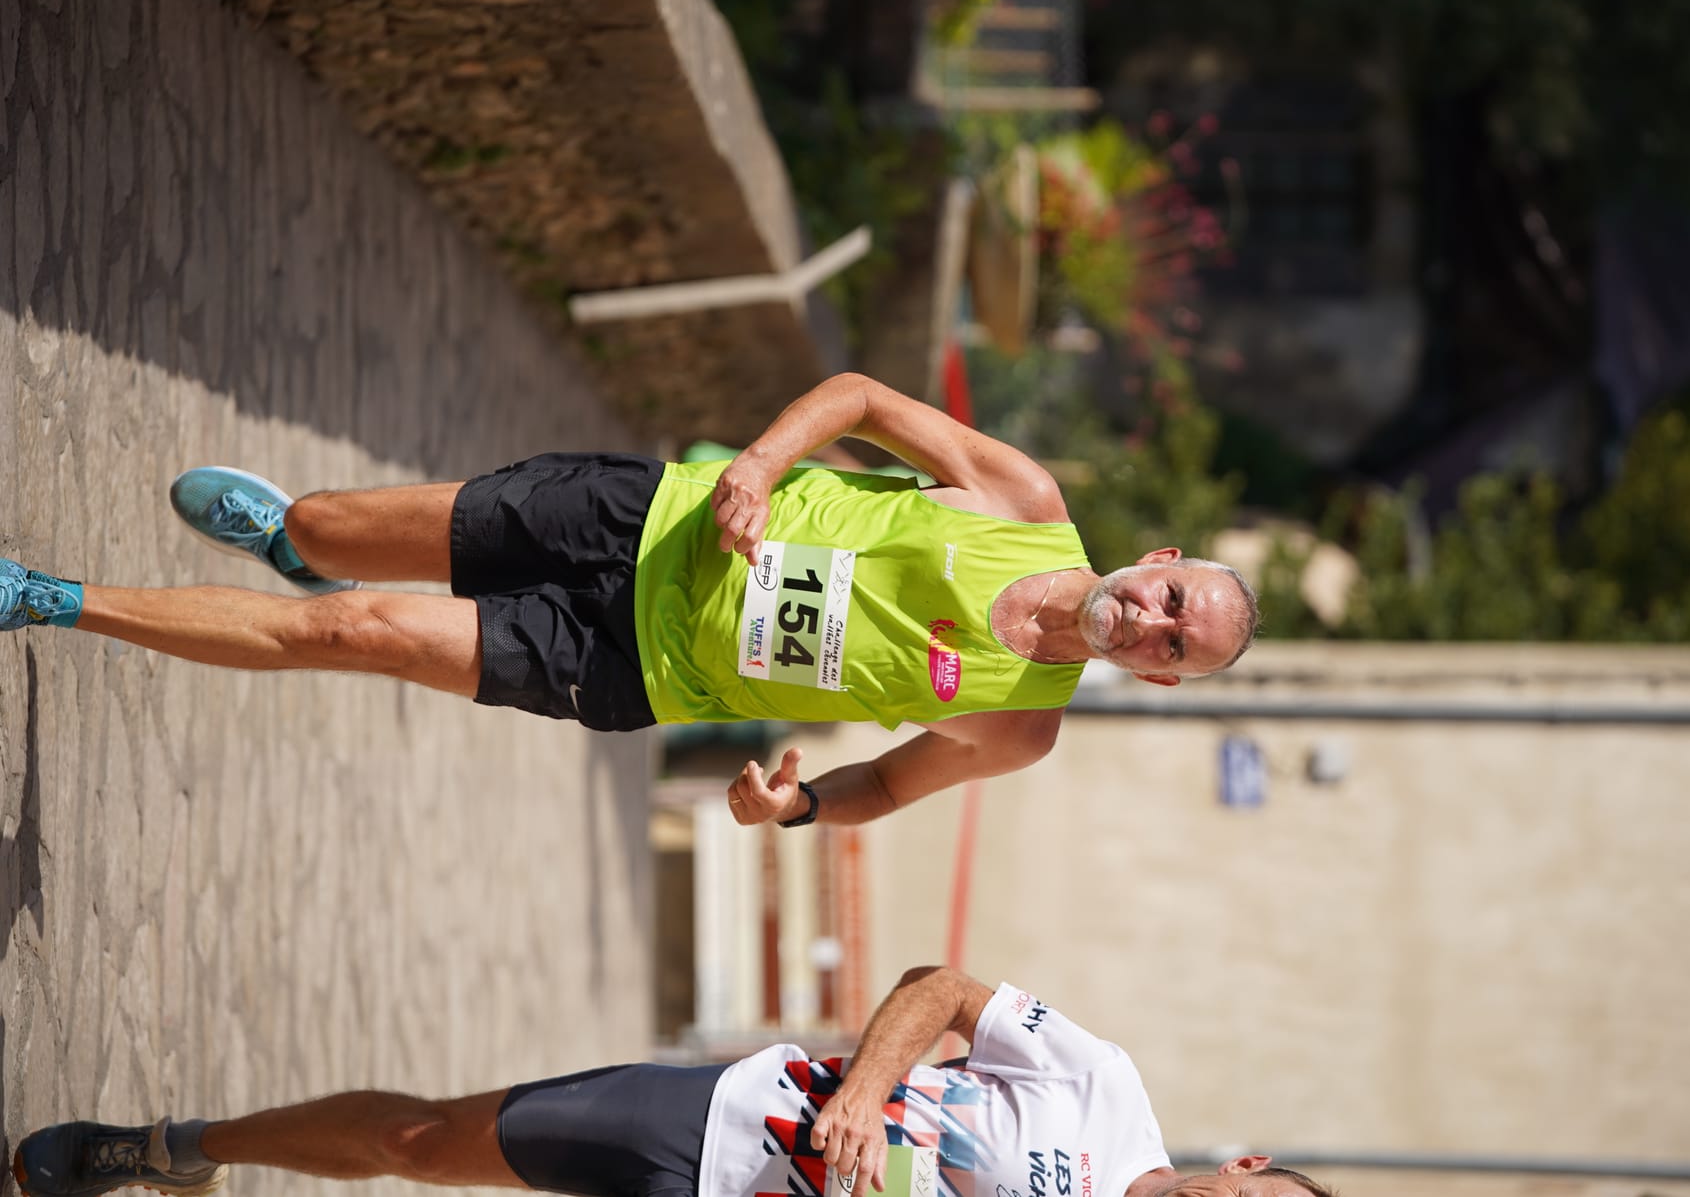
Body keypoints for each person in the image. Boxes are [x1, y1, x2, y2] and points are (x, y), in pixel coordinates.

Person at [0, 374, 1258, 827]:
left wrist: (795, 804)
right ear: (1154, 558)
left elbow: (881, 787)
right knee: (331, 534)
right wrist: (760, 464)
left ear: (1155, 678)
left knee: (358, 631)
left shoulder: (1019, 722)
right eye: (1168, 596)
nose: (1150, 620)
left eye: (1170, 644)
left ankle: (49, 597)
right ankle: (292, 538)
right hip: (637, 515)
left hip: (630, 665)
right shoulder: (1021, 494)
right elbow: (866, 399)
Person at [9, 967, 1331, 1197]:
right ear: (1249, 1167)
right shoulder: (1104, 1085)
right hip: (722, 1127)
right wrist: (864, 1097)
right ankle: (175, 1144)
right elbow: (938, 989)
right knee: (424, 1139)